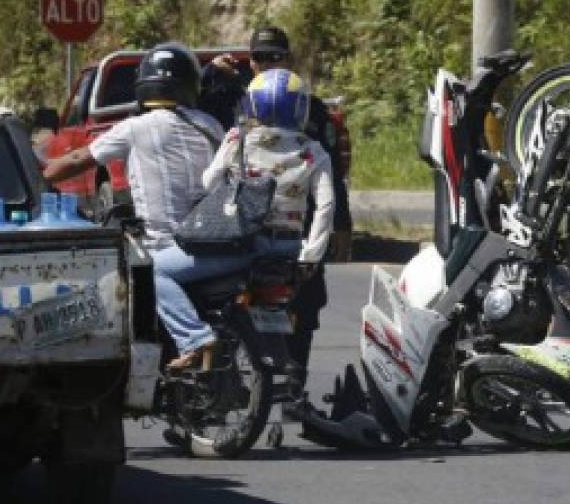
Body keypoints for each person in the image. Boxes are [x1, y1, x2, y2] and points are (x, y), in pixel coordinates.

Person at [153, 69, 334, 369]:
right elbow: (326, 207)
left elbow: (209, 181)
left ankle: (194, 338)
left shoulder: (239, 138)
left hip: (244, 245)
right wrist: (310, 256)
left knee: (156, 270)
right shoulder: (314, 151)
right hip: (287, 251)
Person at [200, 26, 352, 379]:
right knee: (224, 302)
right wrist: (211, 76)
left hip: (298, 225)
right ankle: (228, 382)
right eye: (259, 58)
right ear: (248, 62)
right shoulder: (236, 100)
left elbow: (329, 170)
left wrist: (340, 225)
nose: (267, 64)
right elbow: (197, 112)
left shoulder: (308, 107)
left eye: (275, 56)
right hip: (244, 228)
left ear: (289, 58)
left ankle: (295, 379)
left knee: (306, 306)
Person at [43, 42, 223, 251]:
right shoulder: (211, 124)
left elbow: (76, 160)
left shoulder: (133, 128)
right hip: (212, 242)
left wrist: (39, 176)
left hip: (162, 247)